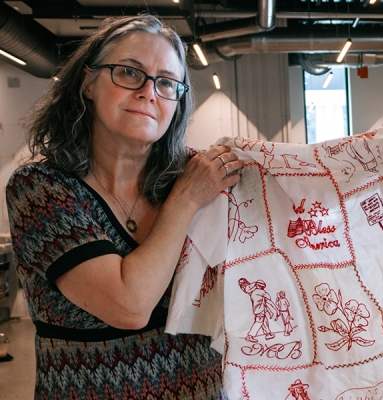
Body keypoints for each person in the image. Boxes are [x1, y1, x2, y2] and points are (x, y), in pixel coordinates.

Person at [5, 14, 244, 399]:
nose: (149, 91)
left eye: (167, 82)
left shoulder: (199, 175)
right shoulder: (41, 190)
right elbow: (129, 306)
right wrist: (186, 200)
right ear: (88, 82)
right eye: (130, 73)